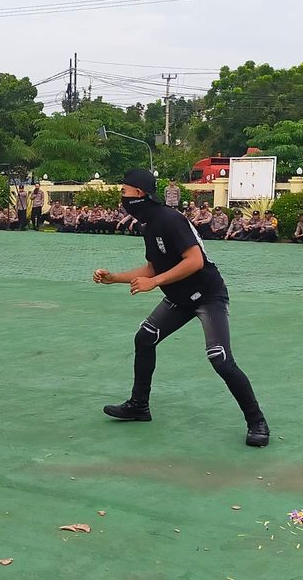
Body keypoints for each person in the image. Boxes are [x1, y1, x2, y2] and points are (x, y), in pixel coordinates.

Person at [93, 169, 269, 447]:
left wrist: (155, 282)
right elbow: (153, 267)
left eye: (124, 191)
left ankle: (257, 421)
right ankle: (139, 406)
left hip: (207, 296)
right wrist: (114, 278)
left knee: (220, 358)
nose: (121, 197)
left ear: (139, 194)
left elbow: (195, 260)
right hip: (179, 297)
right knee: (145, 337)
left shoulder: (170, 220)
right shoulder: (148, 225)